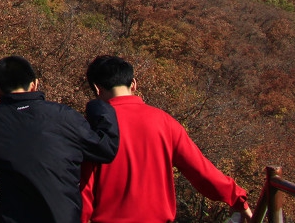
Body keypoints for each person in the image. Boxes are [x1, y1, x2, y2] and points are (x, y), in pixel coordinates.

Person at [0, 56, 120, 223]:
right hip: (63, 217)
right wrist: (99, 107)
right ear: (35, 83)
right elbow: (105, 149)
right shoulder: (65, 116)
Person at [81, 55, 251, 223]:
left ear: (97, 89)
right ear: (133, 84)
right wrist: (237, 198)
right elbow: (201, 171)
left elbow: (84, 190)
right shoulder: (164, 121)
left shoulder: (91, 128)